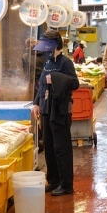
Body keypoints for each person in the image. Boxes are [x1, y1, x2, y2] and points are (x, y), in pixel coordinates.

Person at [31, 30, 79, 196]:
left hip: (59, 110)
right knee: (50, 147)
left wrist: (56, 78)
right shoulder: (47, 62)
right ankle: (53, 180)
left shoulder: (66, 63)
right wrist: (36, 103)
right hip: (45, 108)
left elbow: (74, 83)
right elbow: (42, 84)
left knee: (61, 148)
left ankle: (66, 184)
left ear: (55, 46)